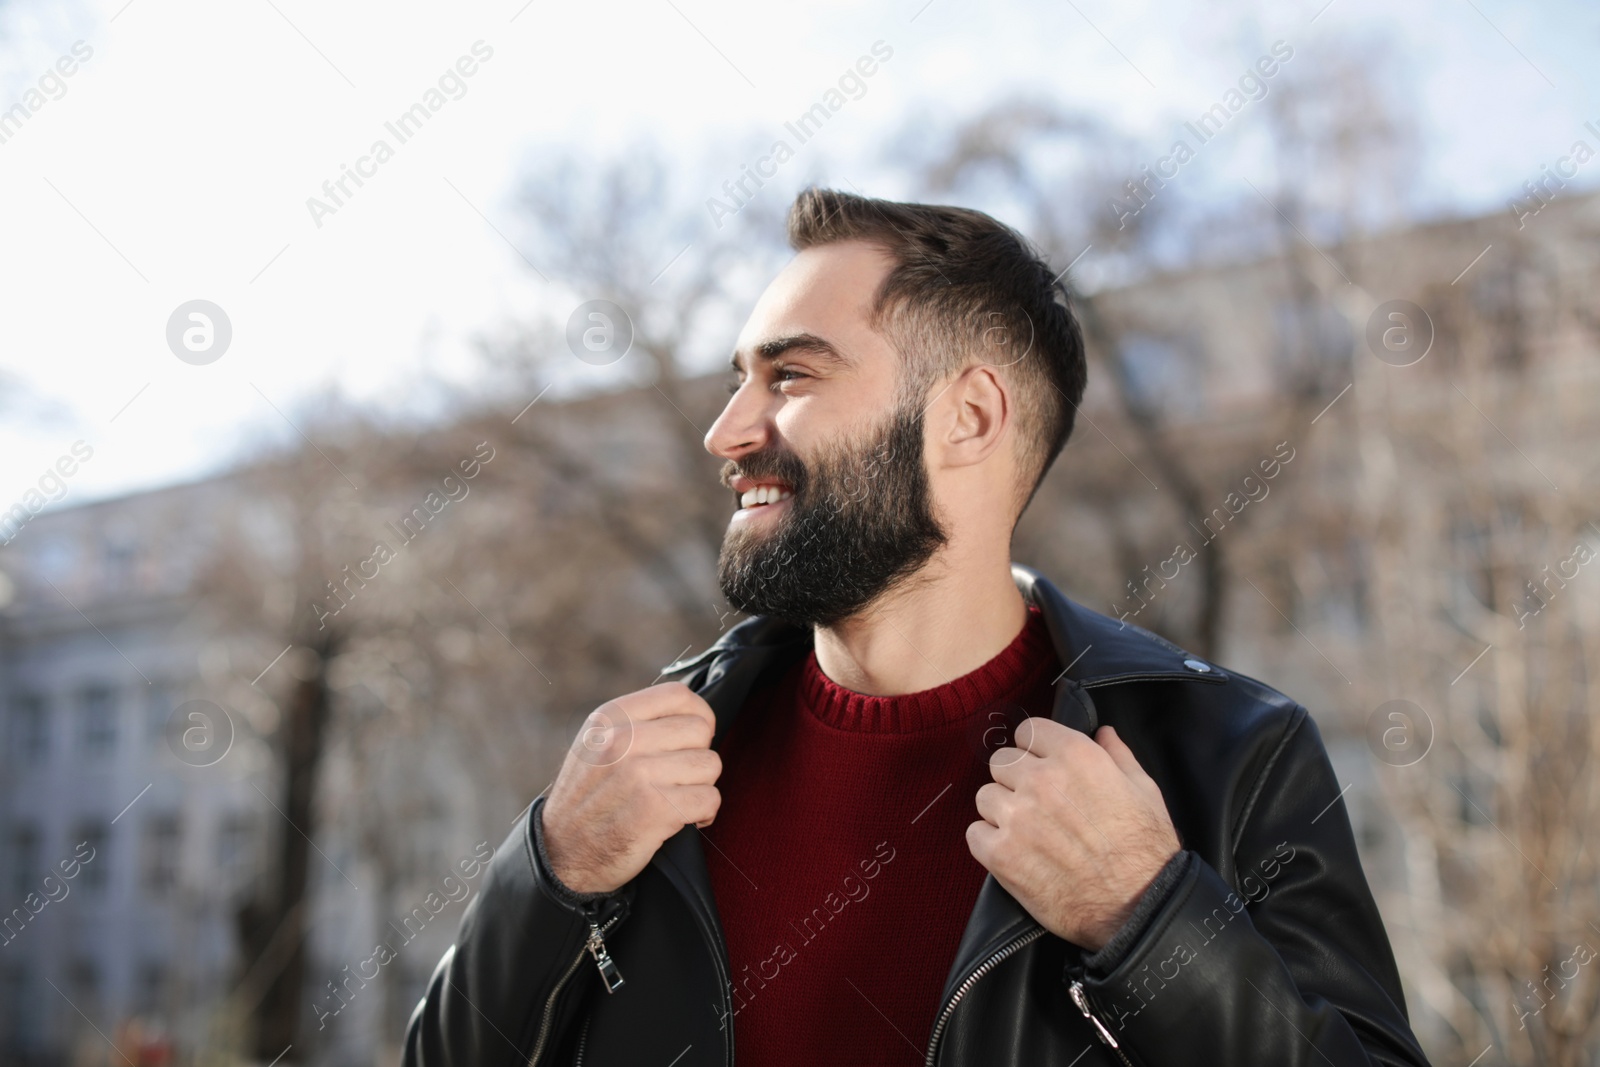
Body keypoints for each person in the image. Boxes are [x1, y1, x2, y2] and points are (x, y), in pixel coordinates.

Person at [403, 188, 1430, 1066]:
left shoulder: (1227, 751)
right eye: (737, 379)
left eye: (790, 376)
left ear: (969, 418)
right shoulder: (651, 760)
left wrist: (1150, 918)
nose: (726, 432)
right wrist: (551, 869)